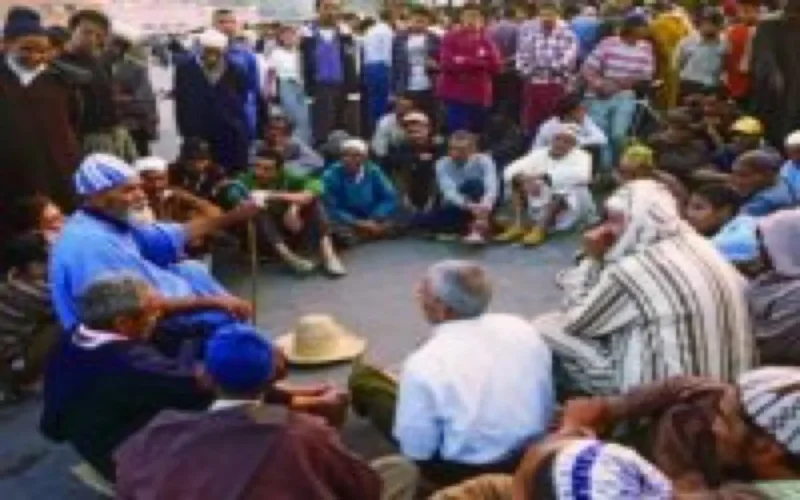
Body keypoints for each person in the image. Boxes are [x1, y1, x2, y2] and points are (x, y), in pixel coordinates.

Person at [115, 328, 418, 500]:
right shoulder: (301, 432)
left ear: (205, 377)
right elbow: (360, 489)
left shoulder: (159, 431)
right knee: (400, 470)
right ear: (274, 377)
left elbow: (127, 483)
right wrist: (332, 427)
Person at [533, 180, 754, 396]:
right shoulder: (703, 245)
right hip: (730, 388)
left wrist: (593, 261)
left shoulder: (633, 269)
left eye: (615, 221)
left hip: (659, 397)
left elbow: (577, 322)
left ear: (637, 221)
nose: (607, 229)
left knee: (547, 325)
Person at [349, 260, 554, 488]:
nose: (417, 293)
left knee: (366, 380)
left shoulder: (424, 362)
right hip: (532, 449)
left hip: (465, 470)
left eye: (423, 290)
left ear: (443, 308)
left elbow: (418, 450)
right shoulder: (520, 327)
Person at [49, 153, 259, 350]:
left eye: (138, 187)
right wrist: (216, 302)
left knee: (192, 270)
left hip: (149, 299)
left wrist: (234, 216)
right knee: (220, 318)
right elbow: (132, 310)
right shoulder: (91, 245)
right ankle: (238, 364)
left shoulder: (108, 219)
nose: (141, 195)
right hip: (128, 327)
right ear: (97, 196)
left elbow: (167, 237)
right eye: (128, 190)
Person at [40, 275, 214, 480]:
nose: (158, 316)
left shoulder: (72, 336)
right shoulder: (131, 365)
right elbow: (199, 389)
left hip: (91, 433)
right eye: (152, 313)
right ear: (122, 322)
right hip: (123, 459)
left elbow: (163, 334)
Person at [556, 367, 800, 496]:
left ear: (767, 449)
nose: (714, 425)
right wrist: (605, 410)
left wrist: (569, 439)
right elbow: (691, 388)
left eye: (723, 420)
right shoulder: (712, 400)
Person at [0, 7, 81, 229]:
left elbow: (73, 121)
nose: (36, 56)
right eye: (26, 49)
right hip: (9, 179)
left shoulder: (60, 81)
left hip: (57, 175)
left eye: (43, 50)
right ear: (5, 45)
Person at [222, 150, 346, 277]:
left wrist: (293, 207)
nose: (259, 172)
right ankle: (290, 258)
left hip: (287, 226)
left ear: (279, 170)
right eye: (257, 166)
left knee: (315, 203)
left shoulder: (289, 176)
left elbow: (313, 190)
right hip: (262, 237)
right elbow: (233, 195)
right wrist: (245, 201)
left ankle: (329, 256)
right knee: (257, 210)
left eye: (267, 169)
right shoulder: (245, 180)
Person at [498, 125, 595, 246]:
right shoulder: (540, 153)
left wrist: (541, 177)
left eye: (567, 142)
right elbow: (510, 170)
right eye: (558, 139)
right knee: (515, 180)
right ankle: (519, 225)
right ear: (552, 139)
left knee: (564, 188)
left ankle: (540, 228)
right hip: (539, 195)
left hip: (568, 204)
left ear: (573, 146)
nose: (561, 144)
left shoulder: (582, 155)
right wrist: (524, 180)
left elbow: (582, 175)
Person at [61, 10, 136, 161]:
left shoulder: (99, 62)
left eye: (98, 36)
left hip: (114, 135)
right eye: (86, 32)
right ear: (72, 30)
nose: (92, 39)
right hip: (87, 139)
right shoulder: (60, 64)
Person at [582, 14, 655, 169]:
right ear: (631, 28)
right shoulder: (608, 43)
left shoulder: (646, 48)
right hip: (601, 93)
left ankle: (619, 166)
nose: (647, 30)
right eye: (644, 26)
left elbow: (645, 76)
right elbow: (588, 67)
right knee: (600, 134)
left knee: (618, 134)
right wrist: (599, 84)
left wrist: (618, 85)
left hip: (625, 95)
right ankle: (606, 170)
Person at [174, 29, 250, 174]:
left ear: (223, 51)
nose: (211, 57)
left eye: (216, 52)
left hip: (228, 132)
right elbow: (181, 102)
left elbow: (242, 98)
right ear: (201, 50)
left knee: (229, 170)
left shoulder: (236, 70)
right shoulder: (185, 70)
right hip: (197, 130)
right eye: (208, 52)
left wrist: (236, 124)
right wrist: (185, 130)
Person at [0, 233, 57, 405]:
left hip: (7, 352)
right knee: (63, 323)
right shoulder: (36, 291)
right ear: (32, 265)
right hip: (12, 360)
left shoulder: (9, 282)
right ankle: (26, 379)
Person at [418, 132, 499, 244]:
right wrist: (467, 205)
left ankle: (478, 228)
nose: (454, 153)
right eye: (452, 149)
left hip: (483, 203)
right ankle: (469, 226)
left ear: (472, 150)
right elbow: (448, 191)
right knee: (421, 221)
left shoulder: (484, 160)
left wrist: (485, 206)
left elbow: (491, 186)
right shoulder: (442, 163)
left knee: (474, 184)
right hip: (460, 204)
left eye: (461, 150)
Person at [744, 210, 800, 365]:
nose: (759, 248)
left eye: (766, 242)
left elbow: (771, 348)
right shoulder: (770, 279)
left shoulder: (795, 295)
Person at [300, 0, 360, 143]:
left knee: (343, 128)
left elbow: (352, 61)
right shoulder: (307, 33)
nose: (331, 12)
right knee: (321, 129)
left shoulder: (345, 33)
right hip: (319, 88)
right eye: (327, 7)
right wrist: (308, 91)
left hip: (342, 86)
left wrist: (353, 89)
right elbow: (301, 62)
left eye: (335, 8)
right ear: (318, 9)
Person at [515, 1, 579, 135]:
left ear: (557, 15)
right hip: (533, 84)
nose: (546, 18)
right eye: (543, 15)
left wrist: (543, 67)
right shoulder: (530, 35)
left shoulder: (568, 35)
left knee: (554, 122)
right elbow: (521, 57)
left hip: (557, 84)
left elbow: (568, 61)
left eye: (549, 15)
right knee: (531, 124)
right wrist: (527, 71)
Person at [321, 139, 400, 245]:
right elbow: (332, 207)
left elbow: (389, 196)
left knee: (403, 215)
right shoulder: (330, 175)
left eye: (356, 155)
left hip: (373, 215)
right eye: (345, 155)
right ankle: (373, 232)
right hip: (348, 220)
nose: (349, 159)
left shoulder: (373, 171)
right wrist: (358, 223)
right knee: (332, 227)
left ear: (365, 158)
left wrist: (376, 217)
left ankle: (368, 233)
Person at [437, 4, 502, 133]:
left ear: (482, 20)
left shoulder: (488, 41)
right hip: (456, 95)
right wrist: (481, 63)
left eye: (475, 16)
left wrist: (464, 60)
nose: (471, 20)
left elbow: (496, 67)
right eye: (468, 16)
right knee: (458, 133)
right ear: (461, 18)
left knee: (478, 134)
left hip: (480, 95)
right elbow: (446, 64)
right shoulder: (450, 38)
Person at [751, 0, 800, 146]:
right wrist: (773, 73)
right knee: (777, 122)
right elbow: (764, 55)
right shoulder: (769, 25)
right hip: (776, 89)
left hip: (794, 85)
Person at [106, 23, 157, 157]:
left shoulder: (137, 69)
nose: (112, 48)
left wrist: (114, 100)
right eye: (111, 43)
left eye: (118, 45)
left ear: (125, 48)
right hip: (105, 132)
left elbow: (144, 102)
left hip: (134, 130)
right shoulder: (95, 67)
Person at [212, 9, 260, 141]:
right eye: (222, 22)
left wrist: (251, 119)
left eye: (231, 22)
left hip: (240, 118)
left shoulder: (246, 54)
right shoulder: (200, 55)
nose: (227, 26)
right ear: (213, 26)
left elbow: (253, 89)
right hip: (212, 121)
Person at [683, 183, 760, 265]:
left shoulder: (730, 242)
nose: (689, 214)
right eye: (688, 206)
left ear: (724, 212)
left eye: (698, 208)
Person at [385, 112, 444, 214]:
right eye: (410, 131)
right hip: (408, 194)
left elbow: (440, 162)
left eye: (419, 130)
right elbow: (394, 161)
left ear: (428, 129)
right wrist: (417, 158)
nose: (415, 135)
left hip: (434, 193)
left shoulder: (439, 146)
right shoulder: (400, 147)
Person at [134, 156, 222, 223]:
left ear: (167, 178)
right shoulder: (132, 201)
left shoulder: (175, 195)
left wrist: (187, 226)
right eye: (150, 180)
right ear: (139, 180)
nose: (157, 185)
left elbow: (214, 212)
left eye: (161, 179)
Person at [391, 5, 440, 122]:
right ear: (409, 20)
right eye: (416, 20)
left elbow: (443, 64)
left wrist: (436, 65)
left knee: (430, 121)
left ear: (428, 22)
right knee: (407, 121)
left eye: (422, 21)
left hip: (429, 88)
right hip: (406, 88)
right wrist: (394, 92)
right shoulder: (399, 39)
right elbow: (394, 67)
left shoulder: (436, 39)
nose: (419, 23)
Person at [267, 25, 312, 145]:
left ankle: (304, 145)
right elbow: (271, 73)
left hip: (301, 86)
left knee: (306, 118)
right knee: (294, 117)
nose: (289, 38)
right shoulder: (276, 53)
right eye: (285, 35)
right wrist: (271, 91)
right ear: (280, 38)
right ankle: (296, 144)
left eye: (292, 35)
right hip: (285, 84)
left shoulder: (300, 53)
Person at [731, 149, 800, 217]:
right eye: (735, 175)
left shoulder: (762, 203)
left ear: (768, 174)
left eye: (744, 175)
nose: (737, 181)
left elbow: (736, 225)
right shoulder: (783, 181)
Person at [676, 9, 726, 98]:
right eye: (705, 23)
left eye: (712, 24)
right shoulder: (688, 42)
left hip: (712, 87)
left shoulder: (724, 43)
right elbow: (679, 62)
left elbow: (725, 64)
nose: (707, 27)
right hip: (689, 84)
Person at [533, 92, 608, 152]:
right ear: (569, 113)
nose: (584, 111)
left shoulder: (585, 120)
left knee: (593, 149)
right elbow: (536, 149)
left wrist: (576, 141)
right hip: (552, 159)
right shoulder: (549, 127)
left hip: (575, 159)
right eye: (580, 110)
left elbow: (602, 139)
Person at [362, 10, 394, 132]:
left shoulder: (371, 30)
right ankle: (380, 132)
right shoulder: (386, 31)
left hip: (368, 67)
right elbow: (388, 54)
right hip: (381, 68)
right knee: (382, 103)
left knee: (372, 102)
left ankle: (372, 131)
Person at [724, 0, 760, 109]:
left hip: (755, 85)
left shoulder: (763, 31)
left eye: (750, 10)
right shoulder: (731, 31)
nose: (746, 14)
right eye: (743, 10)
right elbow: (725, 56)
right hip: (734, 84)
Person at [168, 138, 227, 204]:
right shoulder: (174, 171)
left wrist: (188, 197)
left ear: (208, 160)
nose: (195, 163)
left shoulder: (216, 174)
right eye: (190, 159)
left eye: (201, 159)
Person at [371, 93, 416, 161]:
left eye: (407, 108)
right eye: (401, 107)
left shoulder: (416, 121)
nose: (403, 110)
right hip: (386, 156)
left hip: (408, 154)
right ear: (395, 108)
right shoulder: (385, 122)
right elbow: (380, 150)